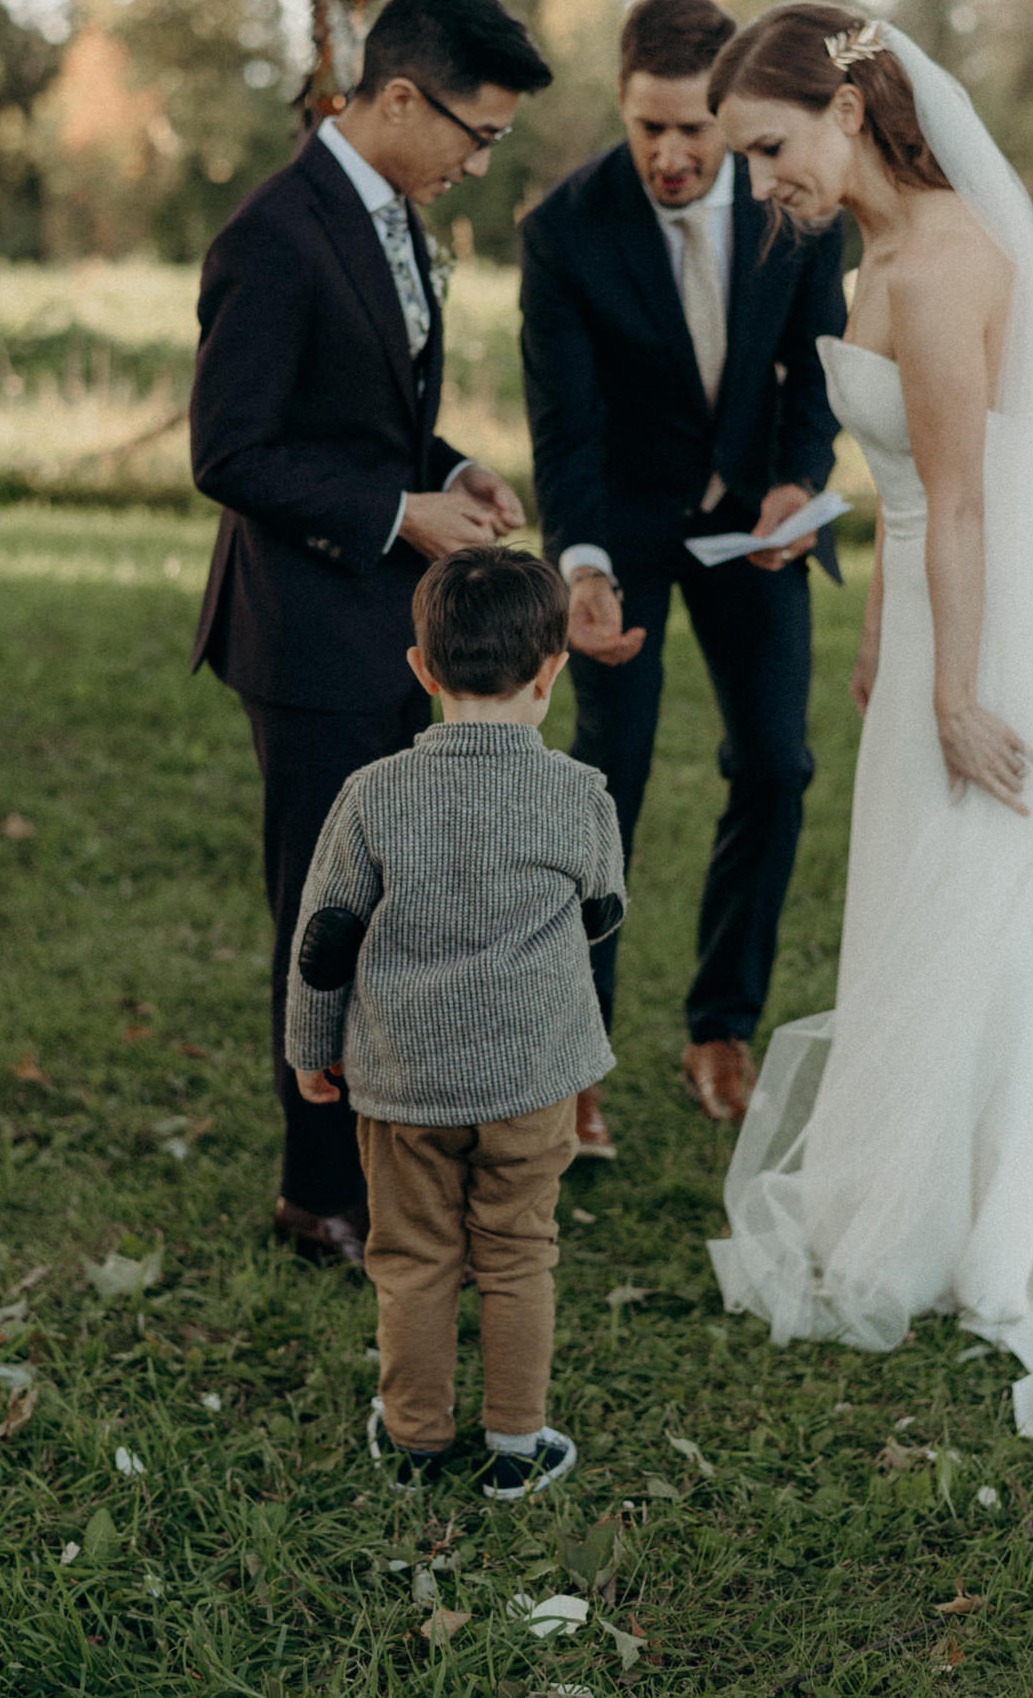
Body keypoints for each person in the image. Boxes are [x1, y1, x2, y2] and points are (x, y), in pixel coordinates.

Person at [705, 2, 1033, 1520]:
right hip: (924, 614)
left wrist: (953, 691)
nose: (760, 181)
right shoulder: (876, 259)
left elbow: (966, 502)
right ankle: (933, 1181)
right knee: (925, 904)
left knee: (973, 895)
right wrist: (880, 641)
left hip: (966, 632)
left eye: (769, 148)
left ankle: (979, 1220)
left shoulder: (932, 266)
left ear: (847, 110)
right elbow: (912, 500)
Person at [190, 0, 552, 1269]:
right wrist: (397, 516)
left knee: (401, 901)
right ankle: (313, 1195)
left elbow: (369, 417)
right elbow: (230, 453)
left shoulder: (393, 217)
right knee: (323, 911)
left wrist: (444, 471)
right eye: (476, 131)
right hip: (302, 636)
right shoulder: (272, 236)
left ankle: (386, 1150)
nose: (478, 157)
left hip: (381, 618)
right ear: (399, 98)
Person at [519, 0, 843, 1159]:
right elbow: (565, 425)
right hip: (626, 534)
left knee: (776, 762)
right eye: (645, 125)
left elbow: (817, 368)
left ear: (728, 116)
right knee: (604, 781)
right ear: (621, 102)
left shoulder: (792, 202)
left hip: (757, 525)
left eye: (691, 131)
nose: (667, 153)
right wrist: (584, 566)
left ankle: (720, 1031)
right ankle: (572, 1061)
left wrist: (800, 481)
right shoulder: (563, 228)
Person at [285, 546, 624, 1497]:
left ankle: (414, 1437)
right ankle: (517, 1443)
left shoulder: (373, 796)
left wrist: (312, 1049)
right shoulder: (577, 795)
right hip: (531, 1082)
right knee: (519, 1251)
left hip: (404, 1086)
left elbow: (325, 940)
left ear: (421, 670)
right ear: (553, 669)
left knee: (414, 1255)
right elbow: (604, 910)